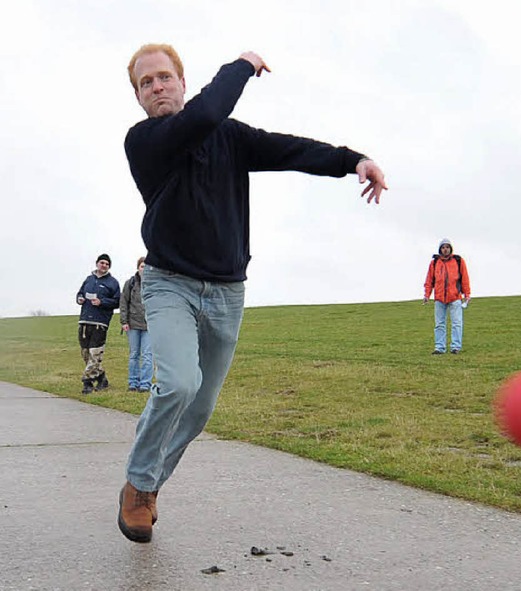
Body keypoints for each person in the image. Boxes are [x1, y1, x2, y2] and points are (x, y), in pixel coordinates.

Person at [117, 44, 388, 543]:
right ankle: (138, 486)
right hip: (168, 284)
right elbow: (206, 112)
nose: (156, 87)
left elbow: (290, 149)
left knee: (199, 408)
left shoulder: (229, 137)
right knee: (178, 384)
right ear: (138, 97)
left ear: (181, 80)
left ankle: (152, 483)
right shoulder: (146, 140)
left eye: (163, 78)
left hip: (226, 292)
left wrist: (354, 161)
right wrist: (242, 65)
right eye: (145, 83)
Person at [76, 254, 121, 394]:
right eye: (102, 262)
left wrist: (102, 302)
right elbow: (80, 293)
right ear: (97, 264)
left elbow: (117, 302)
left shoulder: (113, 283)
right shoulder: (88, 280)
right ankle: (101, 377)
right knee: (85, 354)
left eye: (107, 264)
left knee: (95, 353)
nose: (104, 265)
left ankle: (87, 382)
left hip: (100, 322)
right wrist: (80, 299)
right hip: (84, 320)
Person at [423, 238, 471, 355]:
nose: (445, 250)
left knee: (456, 323)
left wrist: (467, 294)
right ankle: (439, 347)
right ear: (440, 249)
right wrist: (427, 295)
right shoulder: (434, 263)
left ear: (451, 249)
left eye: (447, 247)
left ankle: (456, 347)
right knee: (439, 324)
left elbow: (464, 279)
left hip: (455, 297)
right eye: (443, 247)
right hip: (439, 298)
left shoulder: (458, 261)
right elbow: (429, 280)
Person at [120, 256, 153, 393]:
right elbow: (124, 302)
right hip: (133, 324)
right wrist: (124, 321)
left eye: (147, 266)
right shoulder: (130, 283)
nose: (144, 269)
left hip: (149, 325)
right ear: (138, 267)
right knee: (134, 354)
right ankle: (133, 382)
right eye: (142, 266)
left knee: (147, 355)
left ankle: (145, 384)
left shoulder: (154, 283)